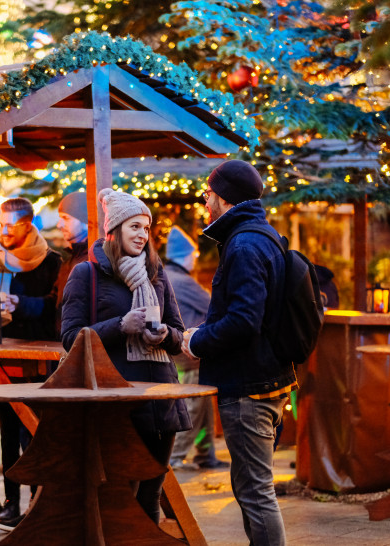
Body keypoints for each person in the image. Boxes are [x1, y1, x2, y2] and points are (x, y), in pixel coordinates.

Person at [182, 159, 295, 546]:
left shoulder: (245, 244)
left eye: (208, 194)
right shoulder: (261, 236)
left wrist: (197, 340)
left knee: (255, 493)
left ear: (223, 197)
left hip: (249, 386)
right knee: (253, 489)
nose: (205, 201)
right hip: (265, 379)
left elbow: (244, 320)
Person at [61, 188, 190, 524]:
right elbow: (71, 338)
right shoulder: (87, 274)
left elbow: (178, 332)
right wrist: (121, 325)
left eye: (146, 228)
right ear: (114, 230)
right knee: (115, 498)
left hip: (160, 401)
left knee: (150, 498)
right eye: (135, 227)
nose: (142, 235)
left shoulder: (157, 273)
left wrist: (165, 334)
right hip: (115, 402)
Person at [0, 197, 62, 530]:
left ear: (28, 224)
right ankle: (11, 501)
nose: (2, 231)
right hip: (2, 356)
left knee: (31, 431)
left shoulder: (51, 262)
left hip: (37, 359)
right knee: (7, 432)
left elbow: (55, 307)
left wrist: (20, 304)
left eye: (9, 225)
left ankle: (39, 500)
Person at [164, 227, 229, 471]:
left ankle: (206, 454)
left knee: (202, 408)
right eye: (193, 254)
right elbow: (213, 305)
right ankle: (174, 456)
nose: (195, 259)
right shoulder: (182, 281)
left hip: (182, 353)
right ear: (184, 256)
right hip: (189, 354)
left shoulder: (169, 275)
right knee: (193, 405)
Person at [53, 191, 90, 337]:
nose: (59, 224)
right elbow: (54, 303)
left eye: (66, 218)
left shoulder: (93, 260)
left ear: (86, 221)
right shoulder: (69, 261)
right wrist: (20, 303)